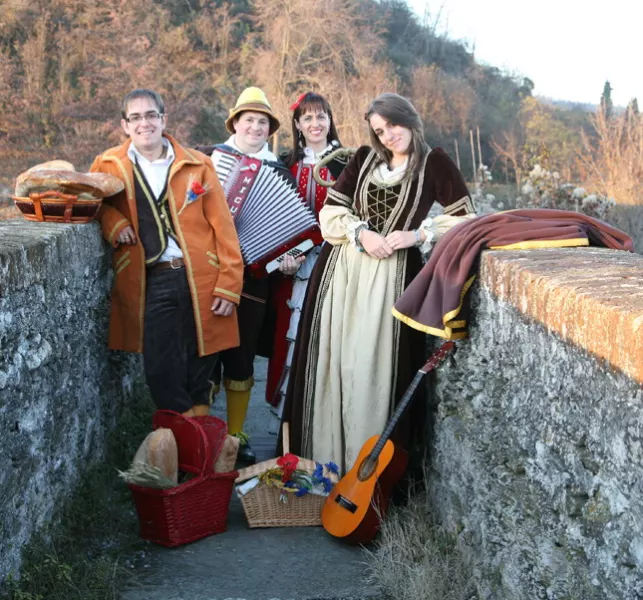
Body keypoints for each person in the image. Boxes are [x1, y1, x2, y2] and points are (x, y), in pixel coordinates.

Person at [281, 92, 477, 473]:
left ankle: (365, 474)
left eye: (393, 124)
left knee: (372, 369)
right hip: (342, 273)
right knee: (334, 365)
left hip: (393, 276)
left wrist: (418, 235)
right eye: (380, 130)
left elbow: (467, 218)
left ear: (410, 118)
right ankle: (324, 466)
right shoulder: (364, 158)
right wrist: (362, 234)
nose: (389, 135)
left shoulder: (434, 162)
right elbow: (331, 211)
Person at [91, 88, 243, 418]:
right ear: (125, 125)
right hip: (152, 278)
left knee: (201, 367)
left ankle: (197, 457)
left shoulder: (198, 165)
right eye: (136, 117)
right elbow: (92, 205)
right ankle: (183, 443)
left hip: (202, 276)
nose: (144, 123)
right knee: (161, 371)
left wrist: (229, 285)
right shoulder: (108, 165)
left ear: (163, 119)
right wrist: (113, 222)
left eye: (150, 115)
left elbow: (224, 229)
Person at [202, 87, 303, 464]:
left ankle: (237, 434)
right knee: (205, 353)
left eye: (263, 122)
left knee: (242, 356)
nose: (256, 127)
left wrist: (291, 255)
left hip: (256, 277)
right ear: (235, 123)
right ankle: (202, 434)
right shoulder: (209, 159)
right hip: (210, 271)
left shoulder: (278, 171)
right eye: (250, 120)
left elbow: (296, 227)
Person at [266, 92, 348, 412]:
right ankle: (286, 424)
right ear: (298, 125)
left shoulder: (348, 163)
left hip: (337, 266)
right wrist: (282, 258)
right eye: (308, 118)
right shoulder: (286, 164)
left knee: (329, 341)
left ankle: (321, 422)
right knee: (289, 339)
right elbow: (272, 219)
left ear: (330, 120)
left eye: (321, 116)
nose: (316, 123)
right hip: (293, 271)